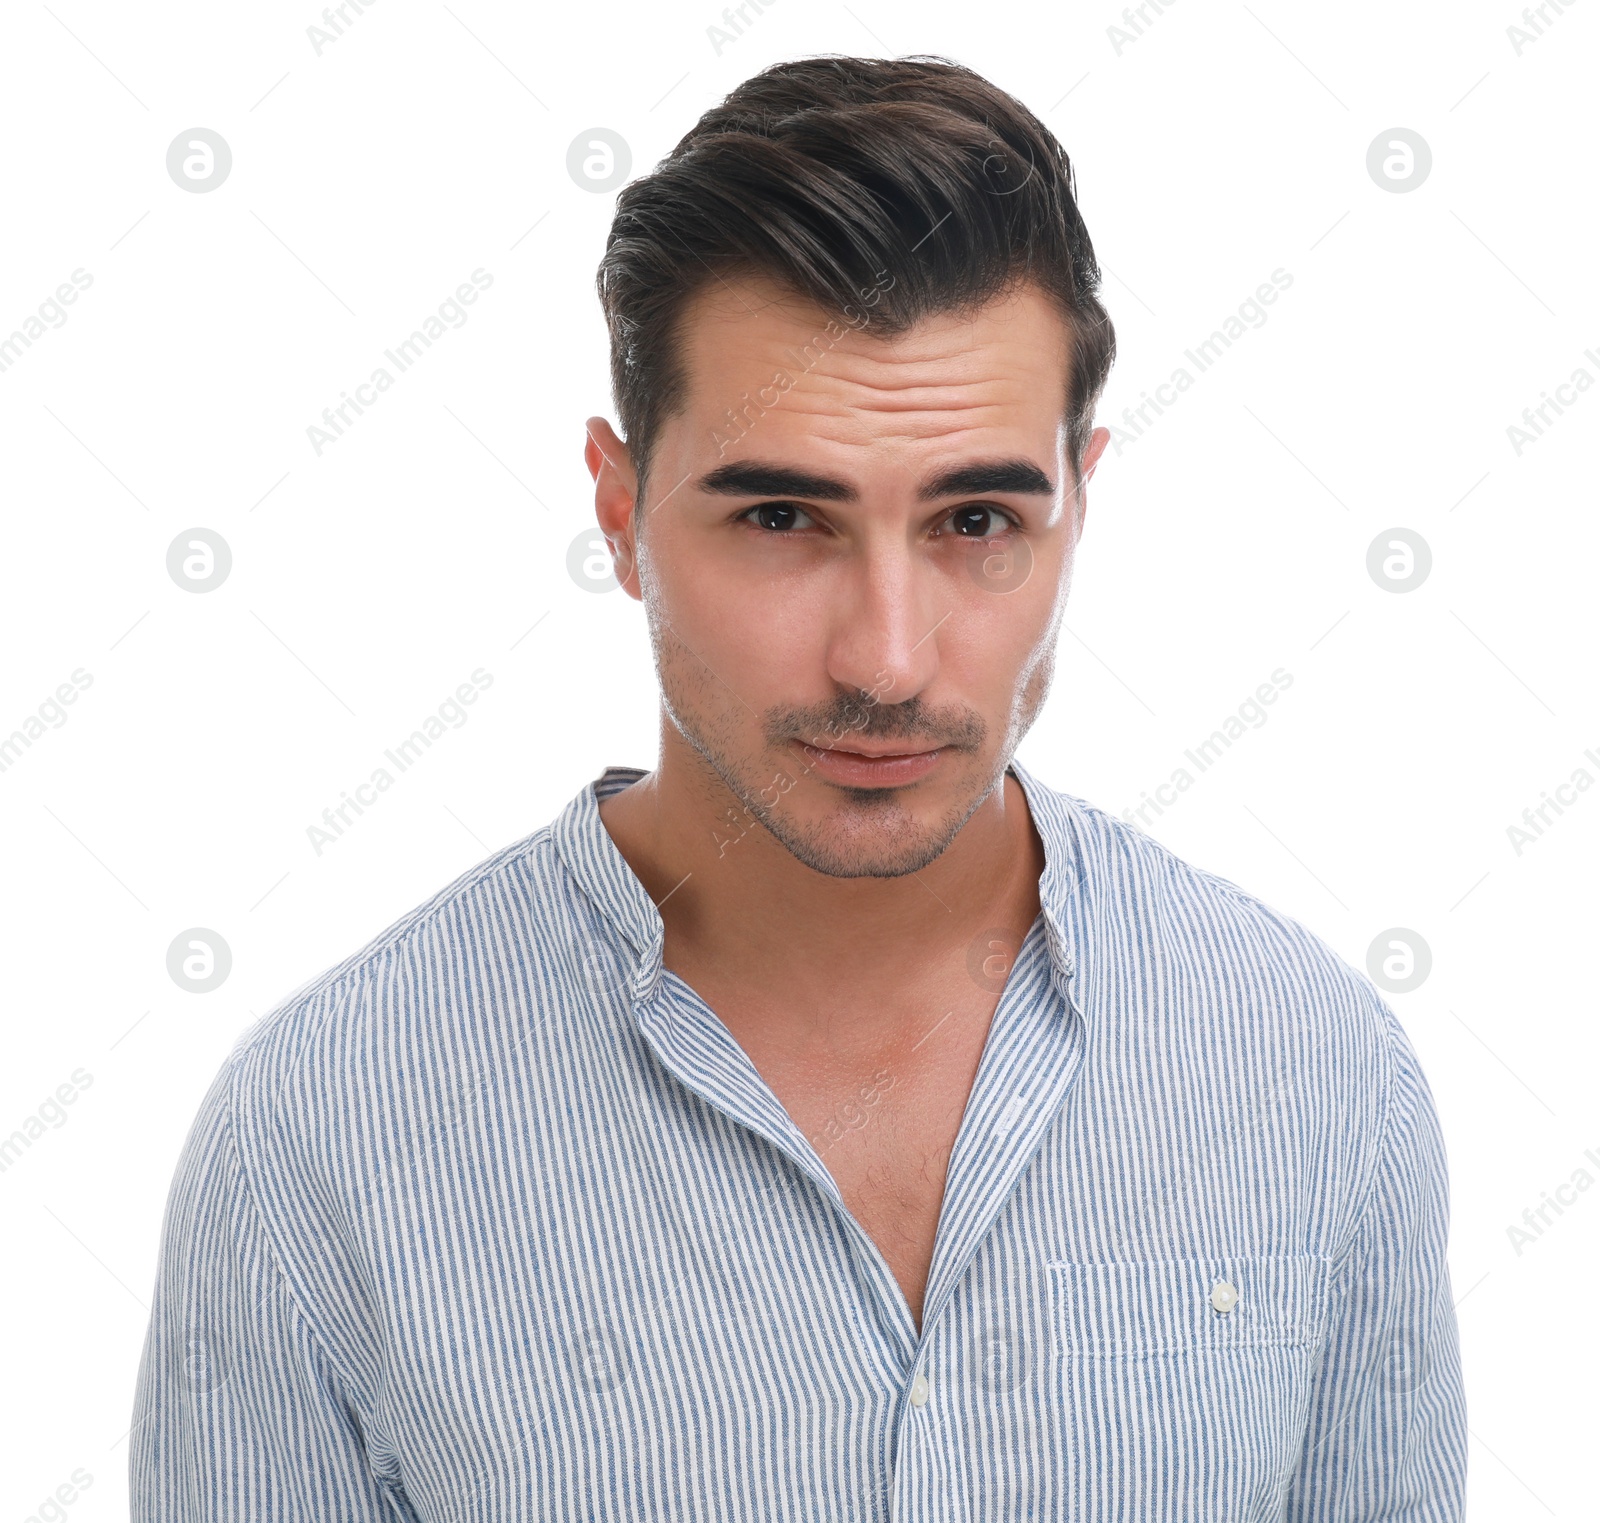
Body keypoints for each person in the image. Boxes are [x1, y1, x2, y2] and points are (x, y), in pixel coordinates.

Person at [131, 53, 1466, 1521]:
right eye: (782, 515)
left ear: (1079, 502)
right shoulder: (315, 1140)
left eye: (975, 518)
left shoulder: (1315, 1071)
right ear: (619, 509)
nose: (889, 658)